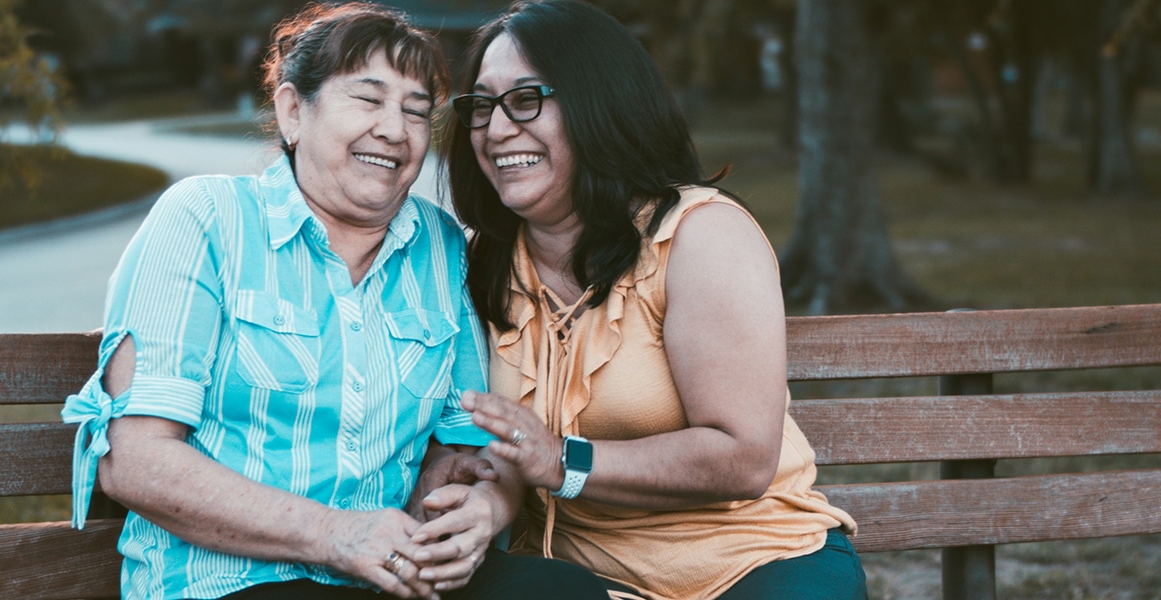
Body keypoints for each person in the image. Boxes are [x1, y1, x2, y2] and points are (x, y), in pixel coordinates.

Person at [60, 3, 609, 599]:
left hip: (394, 576)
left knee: (561, 591)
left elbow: (470, 443)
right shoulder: (207, 219)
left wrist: (481, 507)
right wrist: (334, 535)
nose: (395, 131)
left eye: (416, 111)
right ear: (293, 111)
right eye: (368, 100)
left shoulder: (439, 245)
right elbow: (136, 461)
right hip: (232, 582)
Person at [443, 1, 868, 598]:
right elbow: (473, 442)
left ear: (601, 103)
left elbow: (743, 458)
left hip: (751, 563)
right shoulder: (476, 262)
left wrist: (564, 461)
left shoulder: (698, 236)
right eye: (481, 105)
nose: (494, 128)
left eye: (526, 98)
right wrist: (475, 490)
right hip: (577, 579)